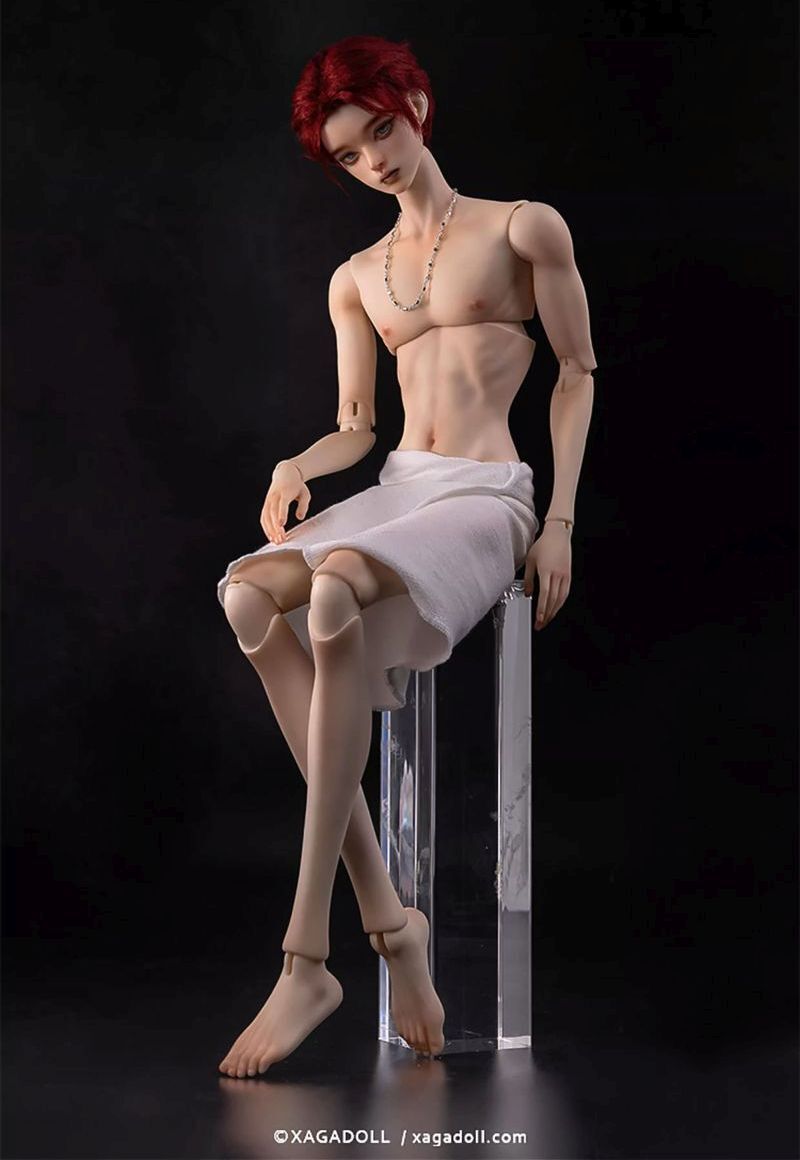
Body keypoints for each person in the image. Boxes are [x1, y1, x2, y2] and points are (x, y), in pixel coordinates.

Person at [216, 33, 597, 1078]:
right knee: (248, 595)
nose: (374, 160)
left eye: (381, 131)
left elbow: (576, 372)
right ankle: (391, 924)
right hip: (402, 487)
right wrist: (299, 461)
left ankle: (307, 953)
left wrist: (559, 521)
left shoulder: (521, 227)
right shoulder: (357, 279)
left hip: (486, 493)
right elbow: (358, 427)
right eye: (349, 154)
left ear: (417, 106)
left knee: (335, 586)